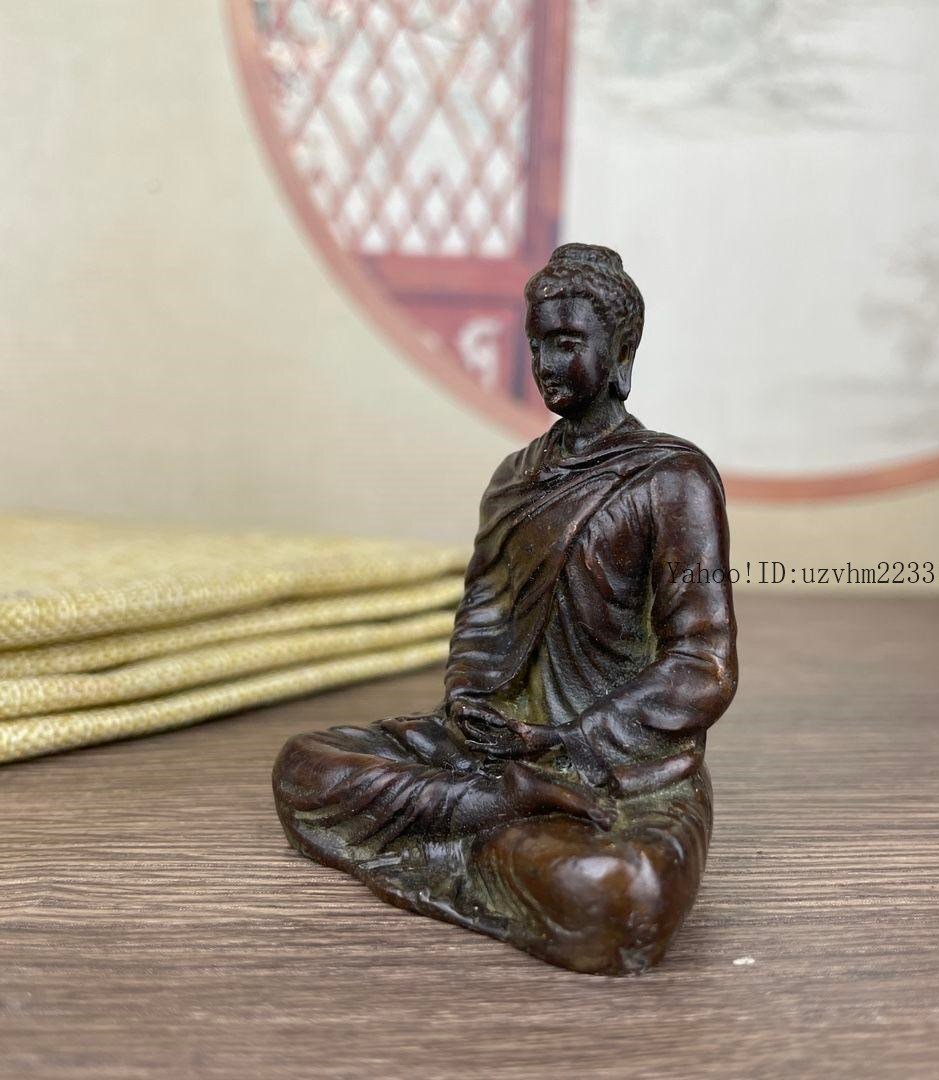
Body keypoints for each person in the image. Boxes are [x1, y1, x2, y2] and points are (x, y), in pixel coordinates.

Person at [273, 243, 738, 975]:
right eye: (536, 344)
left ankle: (490, 817)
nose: (547, 363)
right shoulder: (513, 479)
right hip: (496, 753)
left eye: (567, 343)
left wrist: (576, 741)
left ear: (621, 352)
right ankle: (498, 809)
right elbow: (484, 615)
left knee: (621, 890)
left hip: (615, 766)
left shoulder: (673, 479)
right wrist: (468, 701)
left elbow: (703, 662)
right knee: (304, 767)